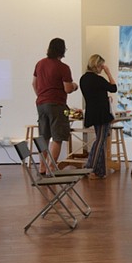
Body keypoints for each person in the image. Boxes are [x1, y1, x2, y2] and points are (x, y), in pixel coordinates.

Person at [33, 38, 78, 174]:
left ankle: (42, 167)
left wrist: (40, 96)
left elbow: (34, 84)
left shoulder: (40, 64)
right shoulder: (63, 67)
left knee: (44, 137)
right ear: (62, 50)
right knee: (57, 137)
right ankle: (51, 167)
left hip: (41, 104)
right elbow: (68, 89)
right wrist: (75, 86)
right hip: (57, 105)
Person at [79, 54, 117, 179]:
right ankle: (90, 167)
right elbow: (113, 88)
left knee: (100, 140)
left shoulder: (83, 79)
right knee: (100, 141)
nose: (102, 68)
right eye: (101, 66)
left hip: (92, 112)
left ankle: (99, 171)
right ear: (97, 65)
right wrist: (108, 73)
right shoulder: (98, 79)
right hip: (102, 114)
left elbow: (94, 95)